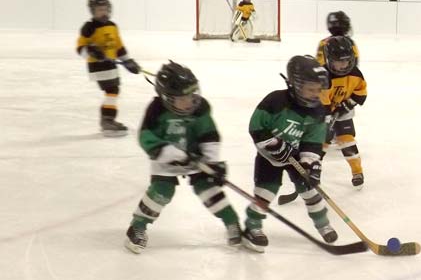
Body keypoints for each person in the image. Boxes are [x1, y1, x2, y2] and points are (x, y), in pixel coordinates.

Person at [124, 62, 241, 253]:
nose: (190, 102)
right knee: (162, 191)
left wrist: (212, 162)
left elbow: (209, 133)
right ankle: (138, 226)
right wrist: (170, 153)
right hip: (165, 159)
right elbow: (146, 137)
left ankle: (232, 222)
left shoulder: (200, 107)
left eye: (192, 95)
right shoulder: (156, 110)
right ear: (167, 98)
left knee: (209, 188)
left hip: (196, 158)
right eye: (183, 99)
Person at [242, 56, 337, 251]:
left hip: (295, 156)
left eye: (319, 90)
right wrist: (272, 145)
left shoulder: (317, 111)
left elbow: (313, 140)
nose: (315, 94)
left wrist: (310, 163)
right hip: (269, 159)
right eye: (311, 89)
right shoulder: (275, 101)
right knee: (265, 194)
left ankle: (323, 224)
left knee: (311, 191)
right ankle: (253, 227)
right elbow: (256, 126)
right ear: (295, 84)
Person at [75, 0, 141, 136]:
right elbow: (80, 48)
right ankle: (107, 121)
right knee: (112, 90)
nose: (103, 12)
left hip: (111, 65)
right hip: (97, 66)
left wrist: (128, 61)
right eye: (99, 10)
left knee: (113, 91)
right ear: (93, 11)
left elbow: (118, 46)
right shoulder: (89, 27)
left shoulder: (113, 26)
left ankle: (108, 120)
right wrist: (91, 51)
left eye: (105, 9)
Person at [320, 36, 368, 187]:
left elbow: (361, 93)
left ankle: (357, 172)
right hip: (324, 114)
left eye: (345, 61)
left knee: (347, 141)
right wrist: (327, 119)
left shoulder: (356, 75)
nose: (342, 65)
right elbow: (322, 101)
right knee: (321, 144)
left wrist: (346, 106)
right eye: (338, 61)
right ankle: (312, 173)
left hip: (344, 112)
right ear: (329, 60)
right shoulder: (323, 76)